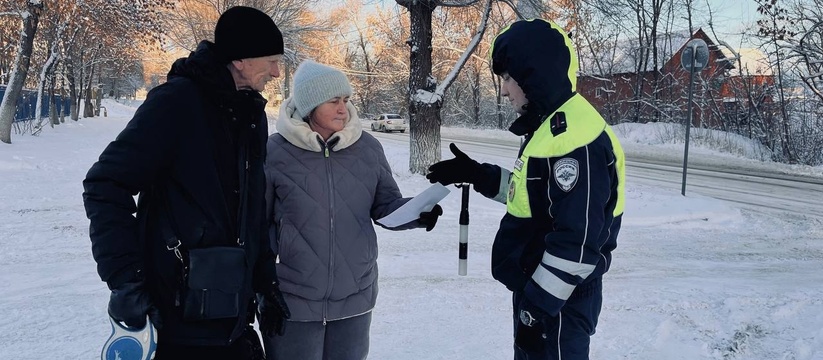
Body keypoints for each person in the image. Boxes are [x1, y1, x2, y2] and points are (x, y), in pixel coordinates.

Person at [83, 6, 290, 359]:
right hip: (177, 319)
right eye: (270, 60)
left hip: (232, 317)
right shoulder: (176, 104)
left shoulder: (251, 114)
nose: (275, 71)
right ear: (240, 59)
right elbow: (105, 184)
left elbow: (252, 209)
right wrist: (126, 280)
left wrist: (264, 280)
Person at [426, 19, 626, 359]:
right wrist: (480, 176)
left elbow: (576, 243)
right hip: (542, 289)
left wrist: (537, 309)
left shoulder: (574, 140)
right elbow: (535, 199)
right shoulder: (549, 128)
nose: (503, 90)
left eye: (507, 78)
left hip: (560, 297)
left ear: (534, 74)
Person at [262, 60, 443, 360]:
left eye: (345, 100)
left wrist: (415, 212)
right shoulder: (274, 152)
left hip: (355, 297)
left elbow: (385, 205)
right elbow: (259, 225)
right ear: (309, 105)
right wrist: (263, 287)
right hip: (291, 299)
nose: (343, 109)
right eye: (333, 101)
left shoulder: (367, 148)